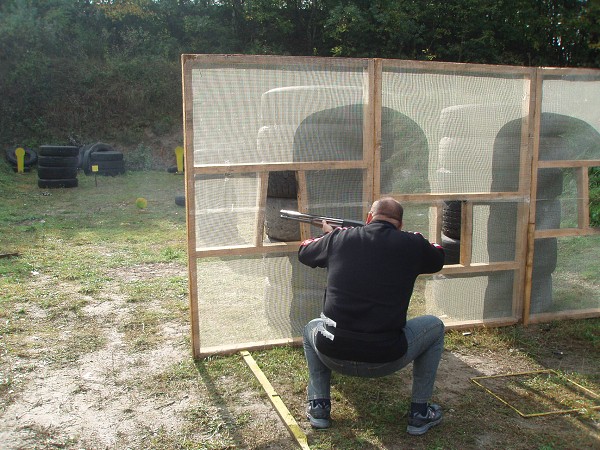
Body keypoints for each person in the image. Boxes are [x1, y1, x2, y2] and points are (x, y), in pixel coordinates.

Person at [298, 197, 446, 436]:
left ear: (369, 218)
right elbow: (438, 256)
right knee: (435, 327)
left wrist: (329, 235)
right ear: (399, 224)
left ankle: (318, 407)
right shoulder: (412, 243)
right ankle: (420, 412)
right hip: (386, 358)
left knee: (311, 328)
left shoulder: (338, 239)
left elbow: (304, 251)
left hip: (332, 353)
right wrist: (408, 238)